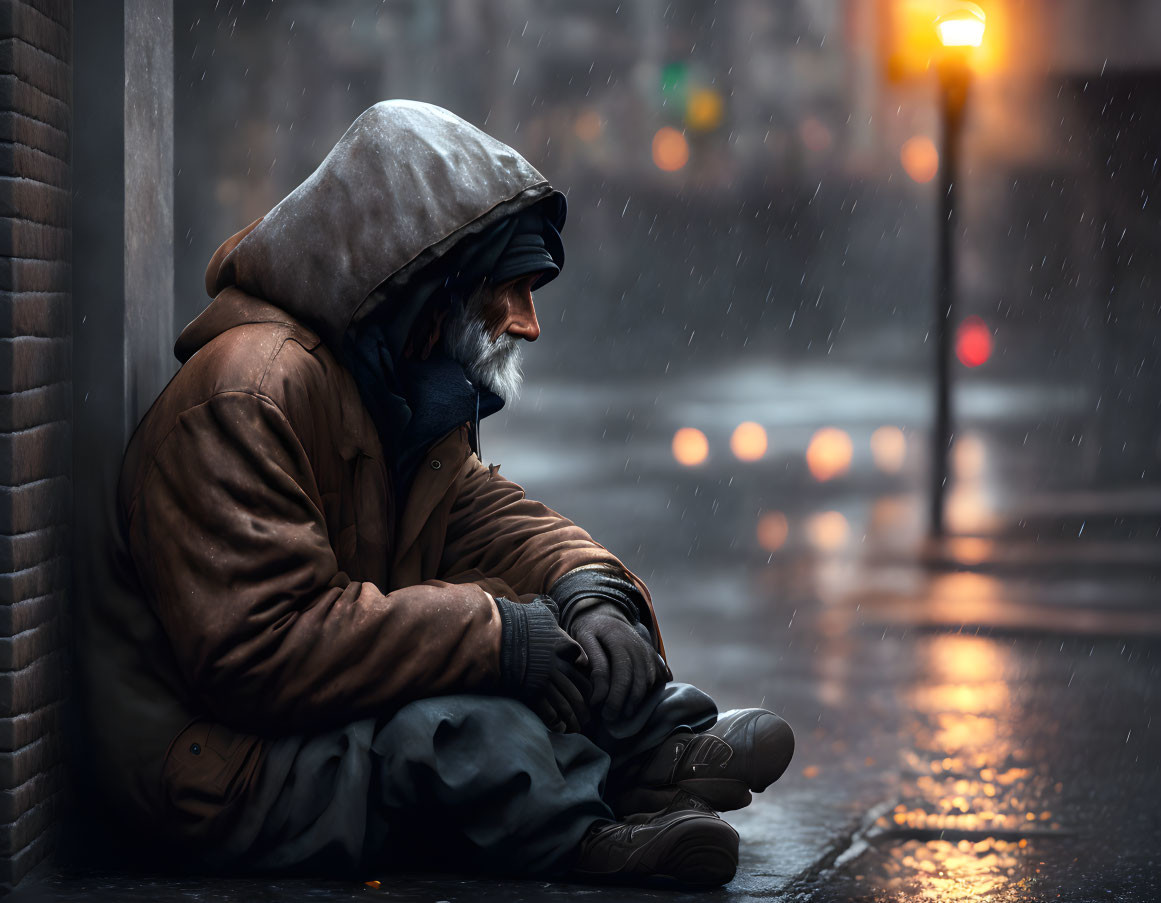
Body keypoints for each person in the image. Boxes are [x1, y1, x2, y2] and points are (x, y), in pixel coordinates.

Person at [81, 100, 794, 888]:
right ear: (426, 284)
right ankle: (586, 836)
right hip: (212, 767)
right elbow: (261, 651)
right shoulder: (248, 394)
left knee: (549, 630)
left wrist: (587, 588)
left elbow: (484, 516)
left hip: (290, 724)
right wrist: (493, 636)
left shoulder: (397, 385)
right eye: (510, 289)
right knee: (455, 725)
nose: (526, 325)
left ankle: (657, 750)